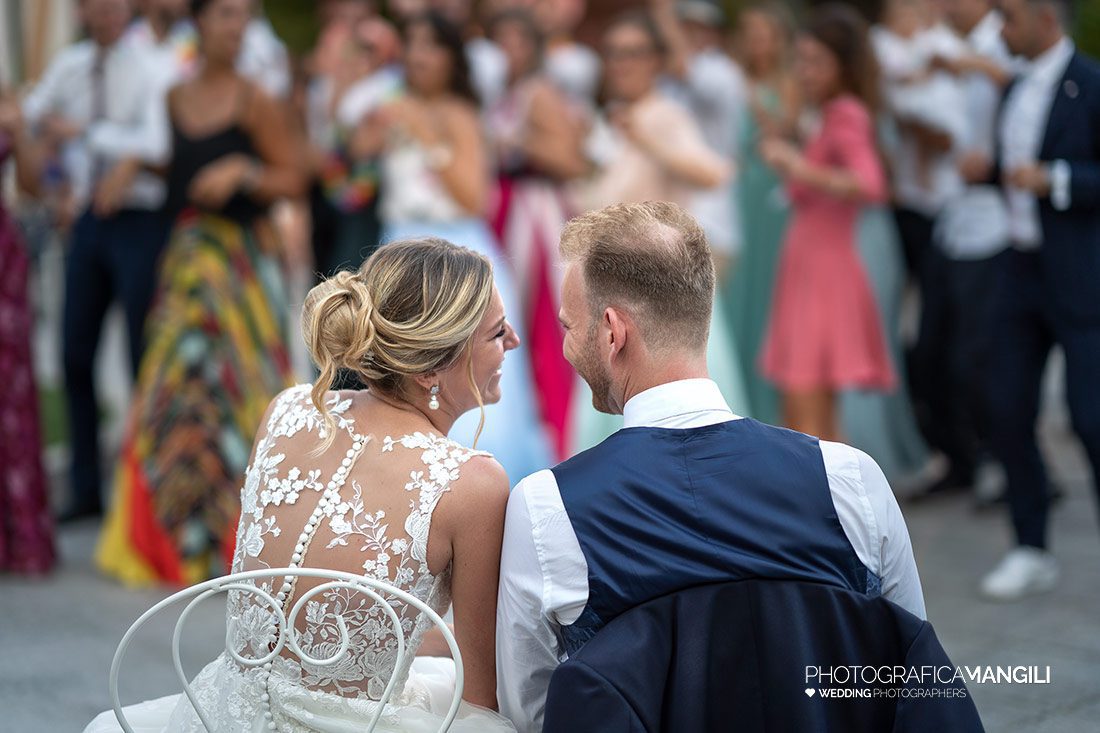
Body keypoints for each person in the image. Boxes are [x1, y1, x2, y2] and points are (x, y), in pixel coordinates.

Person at [495, 201, 926, 733]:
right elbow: (909, 669)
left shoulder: (548, 507)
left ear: (612, 332)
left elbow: (531, 711)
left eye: (569, 326)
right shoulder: (849, 479)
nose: (565, 344)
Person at [86, 239, 517, 731]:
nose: (515, 342)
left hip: (219, 712)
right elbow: (480, 694)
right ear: (434, 368)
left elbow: (306, 614)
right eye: (497, 332)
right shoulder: (473, 483)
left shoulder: (287, 412)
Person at [96, 0, 304, 586]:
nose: (234, 28)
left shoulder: (255, 99)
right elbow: (177, 173)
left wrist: (245, 171)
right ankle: (173, 538)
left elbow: (295, 174)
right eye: (224, 15)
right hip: (188, 266)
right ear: (201, 24)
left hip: (240, 268)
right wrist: (134, 166)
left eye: (243, 17)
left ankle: (246, 540)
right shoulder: (173, 97)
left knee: (243, 394)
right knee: (173, 393)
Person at [363, 10, 552, 482]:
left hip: (454, 251)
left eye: (431, 45)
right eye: (412, 44)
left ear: (452, 58)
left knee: (459, 365)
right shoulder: (391, 103)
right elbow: (350, 179)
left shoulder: (461, 115)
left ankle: (469, 486)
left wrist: (427, 136)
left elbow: (476, 197)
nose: (419, 55)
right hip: (398, 247)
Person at [21, 0, 175, 522]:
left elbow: (156, 143)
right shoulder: (70, 66)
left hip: (139, 221)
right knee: (73, 352)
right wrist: (57, 175)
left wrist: (86, 133)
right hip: (88, 217)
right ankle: (86, 487)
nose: (108, 12)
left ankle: (144, 495)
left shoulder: (150, 67)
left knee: (139, 353)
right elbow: (35, 113)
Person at [978, 0, 1100, 600]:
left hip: (1079, 275)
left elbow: (1078, 173)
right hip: (1018, 267)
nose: (1001, 29)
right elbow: (1011, 166)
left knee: (1092, 419)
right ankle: (1031, 547)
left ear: (1046, 17)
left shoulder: (1093, 84)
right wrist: (988, 170)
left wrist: (1054, 178)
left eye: (1009, 18)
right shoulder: (1014, 87)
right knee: (1004, 406)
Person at [758, 3, 895, 441]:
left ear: (843, 65)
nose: (804, 71)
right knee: (806, 407)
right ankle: (824, 503)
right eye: (800, 60)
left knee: (805, 406)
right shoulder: (825, 114)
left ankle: (821, 504)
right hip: (806, 268)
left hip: (824, 273)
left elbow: (870, 184)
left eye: (816, 61)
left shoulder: (846, 114)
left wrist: (798, 166)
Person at [486, 7, 586, 460]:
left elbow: (570, 160)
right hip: (505, 211)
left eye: (516, 41)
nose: (508, 50)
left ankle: (558, 440)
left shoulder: (539, 93)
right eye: (500, 40)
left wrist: (519, 144)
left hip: (535, 214)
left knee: (541, 323)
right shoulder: (502, 91)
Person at [720, 0, 798, 426]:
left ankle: (775, 407)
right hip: (741, 191)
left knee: (770, 292)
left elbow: (787, 129)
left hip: (773, 196)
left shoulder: (789, 81)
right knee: (741, 295)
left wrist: (753, 100)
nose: (756, 42)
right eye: (749, 33)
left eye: (763, 33)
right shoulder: (732, 77)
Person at [0, 92, 55, 574]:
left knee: (9, 388)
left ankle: (19, 534)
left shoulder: (10, 102)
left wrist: (18, 135)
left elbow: (33, 186)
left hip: (3, 257)